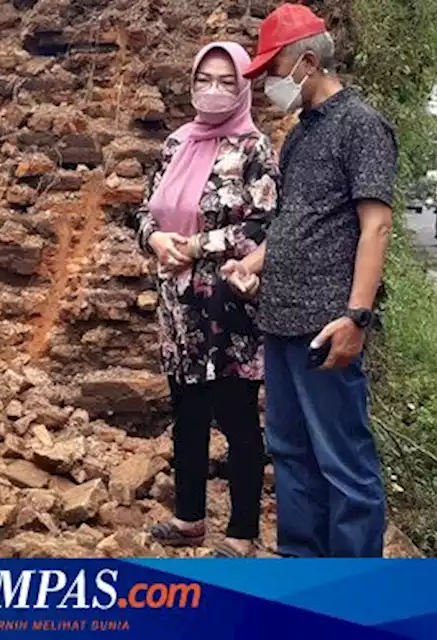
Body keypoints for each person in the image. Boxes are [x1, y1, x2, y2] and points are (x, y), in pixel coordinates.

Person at [225, 3, 397, 558]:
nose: (269, 85)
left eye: (272, 72)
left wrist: (356, 317)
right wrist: (252, 266)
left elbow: (376, 226)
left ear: (305, 62)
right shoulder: (301, 134)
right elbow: (299, 221)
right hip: (280, 319)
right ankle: (301, 564)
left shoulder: (362, 126)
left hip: (327, 324)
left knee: (342, 458)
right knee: (291, 450)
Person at [136, 42, 278, 558]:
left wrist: (196, 247)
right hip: (176, 307)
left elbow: (264, 227)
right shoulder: (176, 144)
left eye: (226, 80)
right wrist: (155, 239)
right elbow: (144, 212)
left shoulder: (255, 149)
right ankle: (190, 518)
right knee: (188, 413)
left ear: (243, 86)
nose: (213, 90)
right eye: (205, 79)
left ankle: (241, 532)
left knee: (238, 419)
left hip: (226, 307)